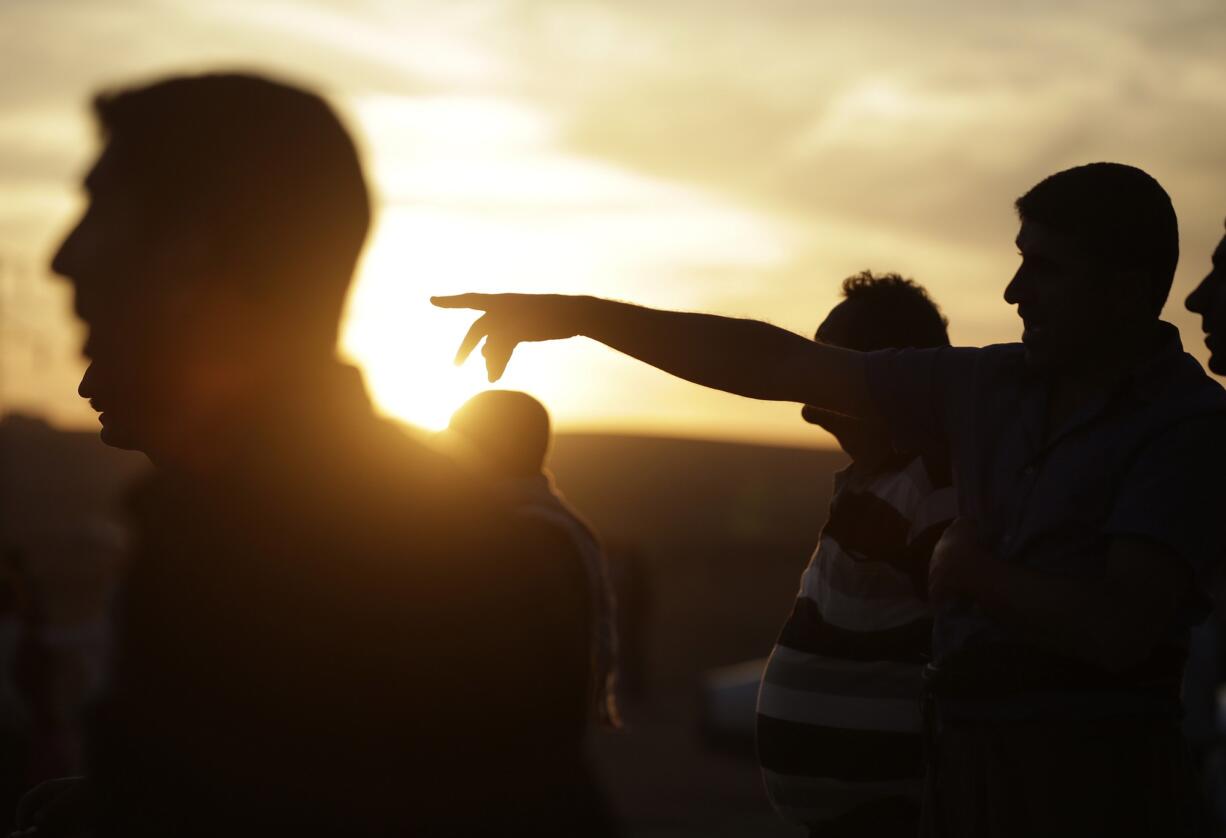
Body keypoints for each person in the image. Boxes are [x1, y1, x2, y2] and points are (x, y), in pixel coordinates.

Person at [435, 162, 1226, 836]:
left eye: (1046, 268)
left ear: (1126, 290)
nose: (1016, 290)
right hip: (966, 777)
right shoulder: (989, 384)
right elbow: (781, 363)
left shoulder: (1185, 427)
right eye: (1019, 261)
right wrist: (579, 318)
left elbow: (1120, 630)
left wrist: (974, 573)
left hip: (1095, 790)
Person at [19, 73, 607, 838]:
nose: (63, 259)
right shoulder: (245, 518)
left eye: (101, 211)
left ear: (189, 256)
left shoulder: (314, 555)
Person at [756, 272, 955, 837]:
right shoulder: (870, 486)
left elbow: (968, 656)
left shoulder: (932, 487)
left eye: (826, 374)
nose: (807, 407)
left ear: (888, 377)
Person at [443, 389, 620, 727]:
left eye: (460, 441)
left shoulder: (531, 532)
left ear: (493, 447)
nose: (450, 456)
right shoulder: (547, 522)